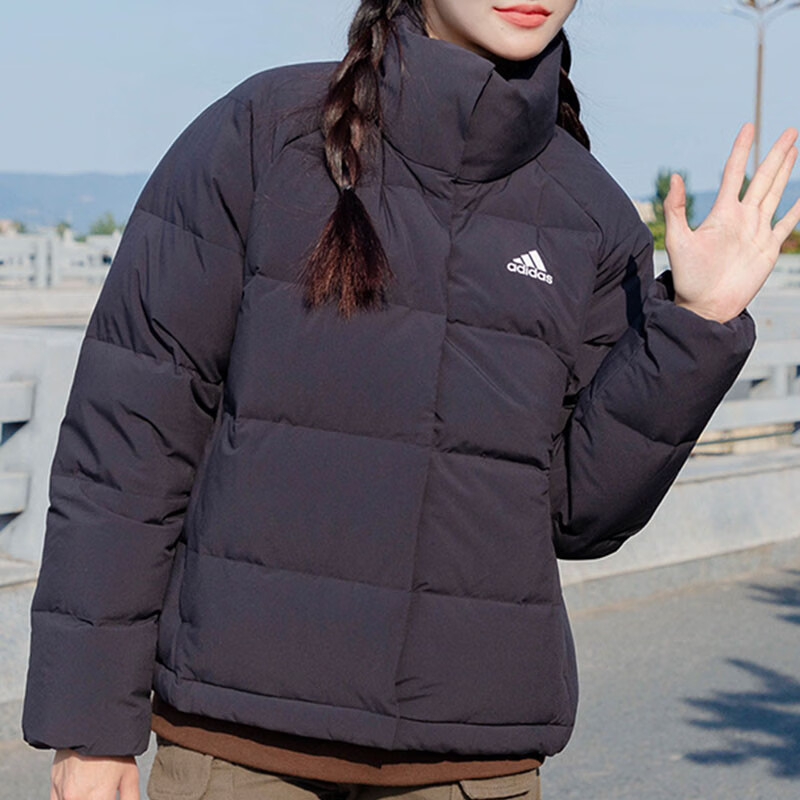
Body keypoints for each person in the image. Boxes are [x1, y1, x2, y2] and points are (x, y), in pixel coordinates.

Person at [20, 0, 800, 798]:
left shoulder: (589, 216)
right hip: (239, 755)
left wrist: (695, 327)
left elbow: (579, 514)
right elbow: (128, 448)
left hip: (471, 766)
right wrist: (89, 727)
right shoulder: (265, 136)